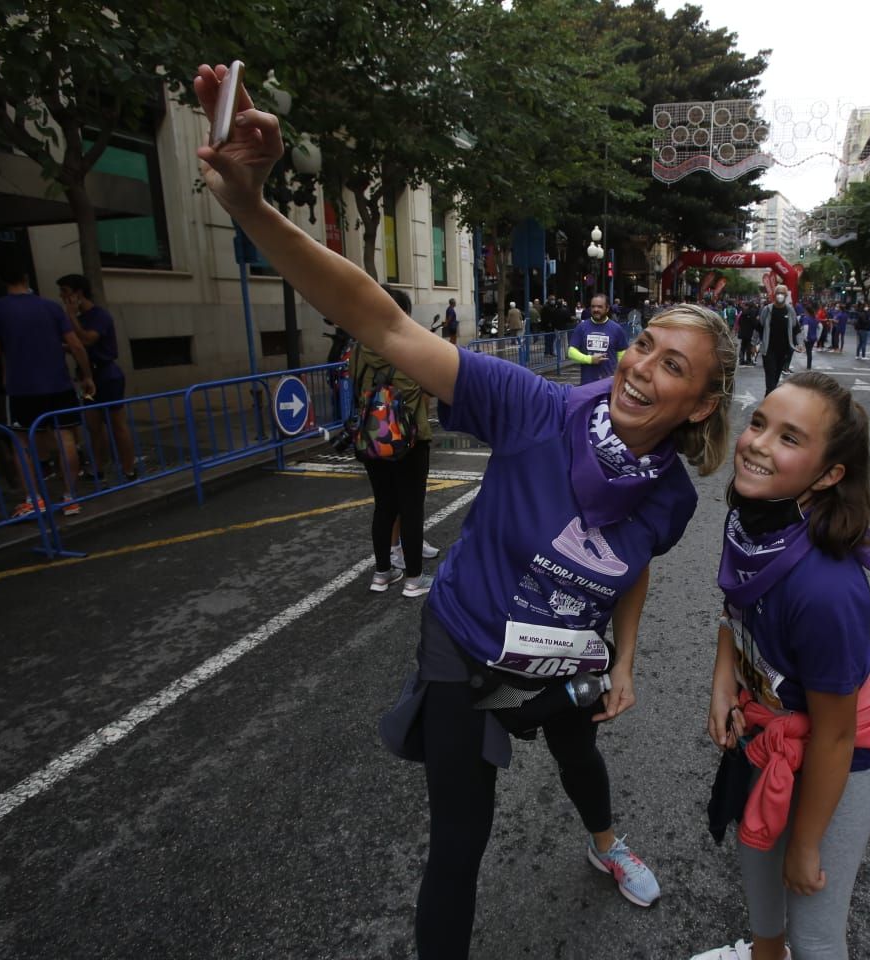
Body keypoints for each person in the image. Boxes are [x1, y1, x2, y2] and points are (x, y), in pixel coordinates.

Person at [191, 61, 738, 959]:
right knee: (458, 848)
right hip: (466, 645)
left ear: (701, 405)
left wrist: (624, 660)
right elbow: (381, 322)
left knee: (579, 759)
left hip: (563, 655)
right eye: (645, 346)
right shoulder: (533, 408)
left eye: (673, 368)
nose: (641, 369)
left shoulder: (671, 495)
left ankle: (606, 844)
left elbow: (633, 566)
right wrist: (253, 207)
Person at [694, 371, 870, 960]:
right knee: (758, 875)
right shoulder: (751, 521)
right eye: (759, 423)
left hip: (839, 755)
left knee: (813, 929)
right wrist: (721, 680)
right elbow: (734, 608)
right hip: (768, 723)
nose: (758, 442)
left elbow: (836, 733)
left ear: (830, 474)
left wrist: (808, 843)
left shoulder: (826, 589)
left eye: (789, 438)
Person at [0, 261, 95, 517]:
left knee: (22, 443)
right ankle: (69, 497)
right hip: (58, 382)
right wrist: (86, 375)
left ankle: (34, 499)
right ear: (26, 277)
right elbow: (76, 345)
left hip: (21, 387)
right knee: (66, 438)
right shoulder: (51, 308)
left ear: (2, 280)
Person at [351, 285, 436, 598]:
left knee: (384, 507)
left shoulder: (359, 347)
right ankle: (414, 579)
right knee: (411, 509)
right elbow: (426, 387)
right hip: (410, 440)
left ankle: (382, 573)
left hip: (371, 436)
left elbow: (355, 385)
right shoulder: (408, 347)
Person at [58, 274, 138, 482]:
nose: (62, 296)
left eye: (65, 291)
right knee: (93, 425)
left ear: (78, 293)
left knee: (117, 423)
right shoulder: (79, 318)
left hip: (107, 375)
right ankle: (98, 469)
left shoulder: (99, 316)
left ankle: (129, 468)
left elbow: (87, 340)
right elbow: (77, 345)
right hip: (88, 377)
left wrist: (71, 317)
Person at [568, 293, 630, 385]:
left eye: (600, 307)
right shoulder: (581, 327)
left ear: (607, 308)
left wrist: (619, 373)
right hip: (587, 383)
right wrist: (590, 359)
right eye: (593, 307)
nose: (596, 310)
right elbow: (571, 352)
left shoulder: (617, 329)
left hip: (609, 384)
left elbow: (622, 354)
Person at [758, 286, 799, 395]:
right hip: (768, 349)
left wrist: (800, 344)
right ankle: (770, 398)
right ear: (774, 295)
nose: (780, 295)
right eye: (778, 293)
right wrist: (754, 343)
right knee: (770, 374)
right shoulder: (767, 310)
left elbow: (796, 328)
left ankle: (768, 395)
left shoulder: (790, 310)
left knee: (776, 375)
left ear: (786, 296)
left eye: (782, 293)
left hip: (784, 350)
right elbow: (759, 327)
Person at [738, 300, 761, 366]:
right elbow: (754, 323)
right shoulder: (752, 312)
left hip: (743, 332)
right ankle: (748, 360)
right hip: (749, 332)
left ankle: (741, 360)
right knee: (748, 346)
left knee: (743, 346)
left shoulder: (743, 312)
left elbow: (739, 321)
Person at [801, 304, 819, 370]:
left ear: (807, 311)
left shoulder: (806, 318)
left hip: (808, 337)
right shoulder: (815, 318)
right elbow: (820, 327)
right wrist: (818, 336)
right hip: (814, 337)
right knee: (809, 351)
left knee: (809, 352)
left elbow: (806, 328)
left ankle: (809, 366)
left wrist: (805, 337)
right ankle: (809, 366)